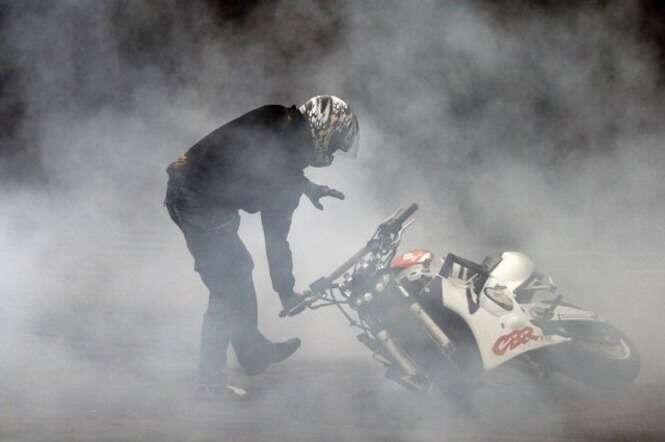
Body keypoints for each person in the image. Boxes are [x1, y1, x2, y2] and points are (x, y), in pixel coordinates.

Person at [164, 95, 359, 397]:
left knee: (237, 270)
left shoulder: (276, 118)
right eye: (334, 145)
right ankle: (210, 382)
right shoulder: (284, 166)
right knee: (227, 287)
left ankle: (252, 353)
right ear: (322, 130)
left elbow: (263, 163)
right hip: (199, 201)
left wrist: (306, 187)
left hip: (188, 186)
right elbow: (276, 237)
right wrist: (286, 292)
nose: (332, 153)